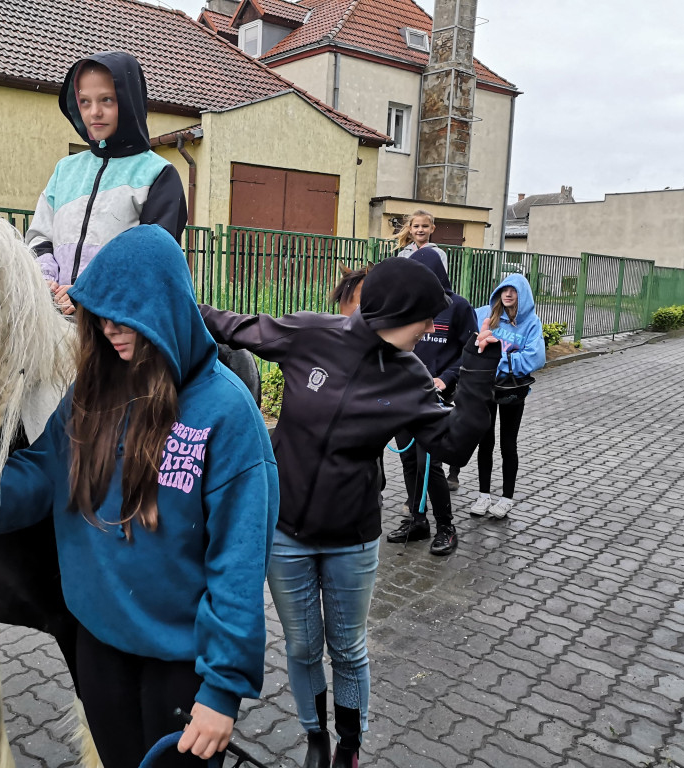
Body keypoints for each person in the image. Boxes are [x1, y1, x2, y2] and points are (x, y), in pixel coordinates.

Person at [0, 225, 278, 768]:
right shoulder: (91, 393)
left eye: (124, 314)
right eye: (98, 315)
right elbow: (34, 479)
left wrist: (221, 691)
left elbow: (239, 564)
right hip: (99, 645)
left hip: (180, 661)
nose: (109, 329)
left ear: (166, 306)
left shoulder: (225, 415)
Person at [199, 257, 502, 768]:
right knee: (300, 648)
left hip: (352, 540)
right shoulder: (310, 333)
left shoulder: (410, 376)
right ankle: (315, 738)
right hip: (285, 535)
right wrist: (164, 300)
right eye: (426, 317)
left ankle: (349, 747)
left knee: (347, 648)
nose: (432, 328)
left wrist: (479, 368)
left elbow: (452, 444)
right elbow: (230, 325)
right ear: (398, 311)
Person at [25, 51, 188, 315]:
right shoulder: (65, 170)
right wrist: (46, 281)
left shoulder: (159, 174)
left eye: (107, 100)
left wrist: (87, 294)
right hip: (56, 323)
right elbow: (40, 237)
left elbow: (153, 263)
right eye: (85, 102)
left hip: (120, 330)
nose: (94, 112)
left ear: (128, 100)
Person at [385, 248, 477, 556]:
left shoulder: (459, 306)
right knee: (410, 460)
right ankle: (417, 519)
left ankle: (446, 527)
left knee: (430, 463)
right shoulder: (406, 306)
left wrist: (446, 378)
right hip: (404, 395)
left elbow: (468, 351)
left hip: (436, 397)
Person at [467, 273, 546, 519]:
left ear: (523, 295)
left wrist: (499, 360)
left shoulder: (532, 322)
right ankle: (483, 495)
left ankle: (506, 498)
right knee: (485, 441)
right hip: (486, 387)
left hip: (513, 390)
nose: (508, 294)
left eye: (514, 290)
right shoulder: (485, 315)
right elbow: (470, 342)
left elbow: (537, 357)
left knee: (508, 444)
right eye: (504, 289)